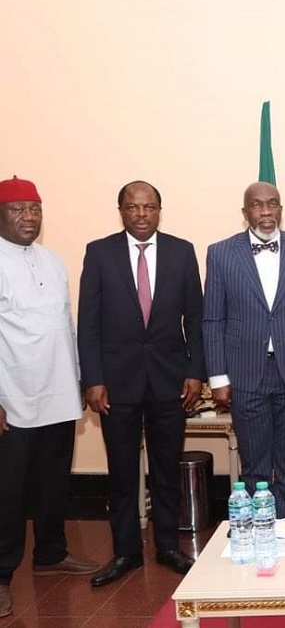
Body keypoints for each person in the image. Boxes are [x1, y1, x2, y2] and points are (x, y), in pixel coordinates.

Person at [78, 181, 205, 586]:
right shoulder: (99, 253)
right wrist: (93, 379)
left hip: (171, 380)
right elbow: (89, 324)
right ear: (121, 210)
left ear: (159, 210)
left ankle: (168, 547)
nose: (141, 215)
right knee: (121, 471)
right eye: (133, 208)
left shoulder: (182, 252)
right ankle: (126, 553)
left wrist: (195, 372)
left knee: (166, 467)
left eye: (149, 207)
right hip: (117, 385)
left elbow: (197, 320)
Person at [0, 176, 99, 617]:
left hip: (58, 391)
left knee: (54, 480)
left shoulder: (53, 261)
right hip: (12, 396)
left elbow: (66, 327)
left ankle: (51, 553)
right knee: (8, 490)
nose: (29, 218)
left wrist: (79, 379)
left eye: (34, 209)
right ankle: (2, 575)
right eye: (18, 210)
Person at [202, 182, 285, 518]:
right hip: (246, 374)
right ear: (246, 213)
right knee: (255, 467)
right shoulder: (220, 253)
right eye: (257, 206)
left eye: (272, 204)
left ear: (281, 209)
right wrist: (217, 376)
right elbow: (213, 319)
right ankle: (262, 536)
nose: (266, 212)